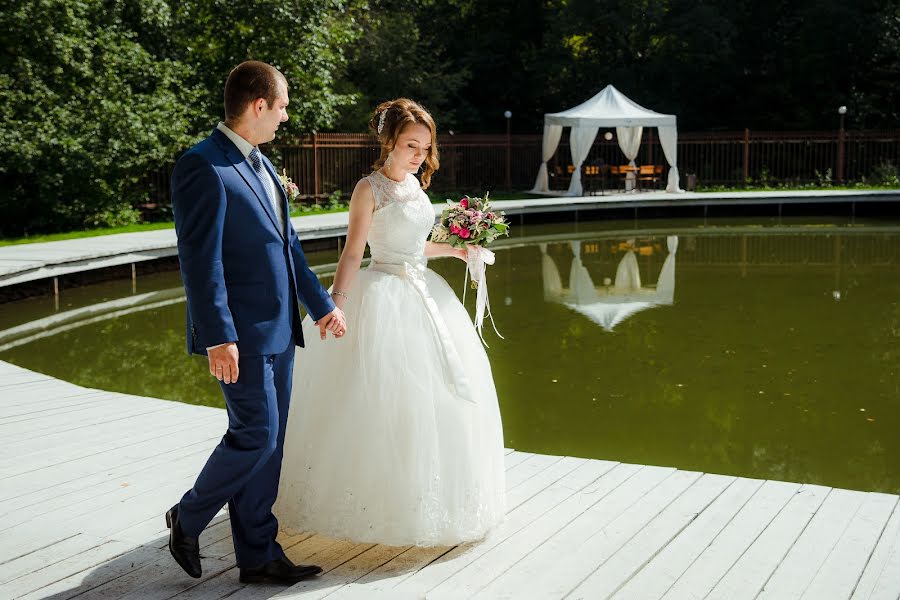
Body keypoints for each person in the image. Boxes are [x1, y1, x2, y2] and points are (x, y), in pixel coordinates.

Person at [273, 98, 506, 546]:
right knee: (374, 400)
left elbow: (414, 245)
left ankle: (426, 503)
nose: (418, 155)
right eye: (410, 145)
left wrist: (457, 250)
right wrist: (334, 303)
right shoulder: (369, 188)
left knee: (434, 402)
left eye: (425, 146)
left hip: (423, 294)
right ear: (389, 142)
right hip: (380, 294)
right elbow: (354, 251)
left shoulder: (417, 188)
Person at [169, 60, 346, 584]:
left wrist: (322, 306)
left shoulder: (262, 165)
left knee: (272, 445)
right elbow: (200, 263)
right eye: (283, 105)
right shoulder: (202, 165)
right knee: (256, 436)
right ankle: (188, 515)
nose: (287, 116)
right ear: (258, 105)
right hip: (238, 339)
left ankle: (260, 556)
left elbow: (287, 248)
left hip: (279, 331)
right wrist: (218, 335)